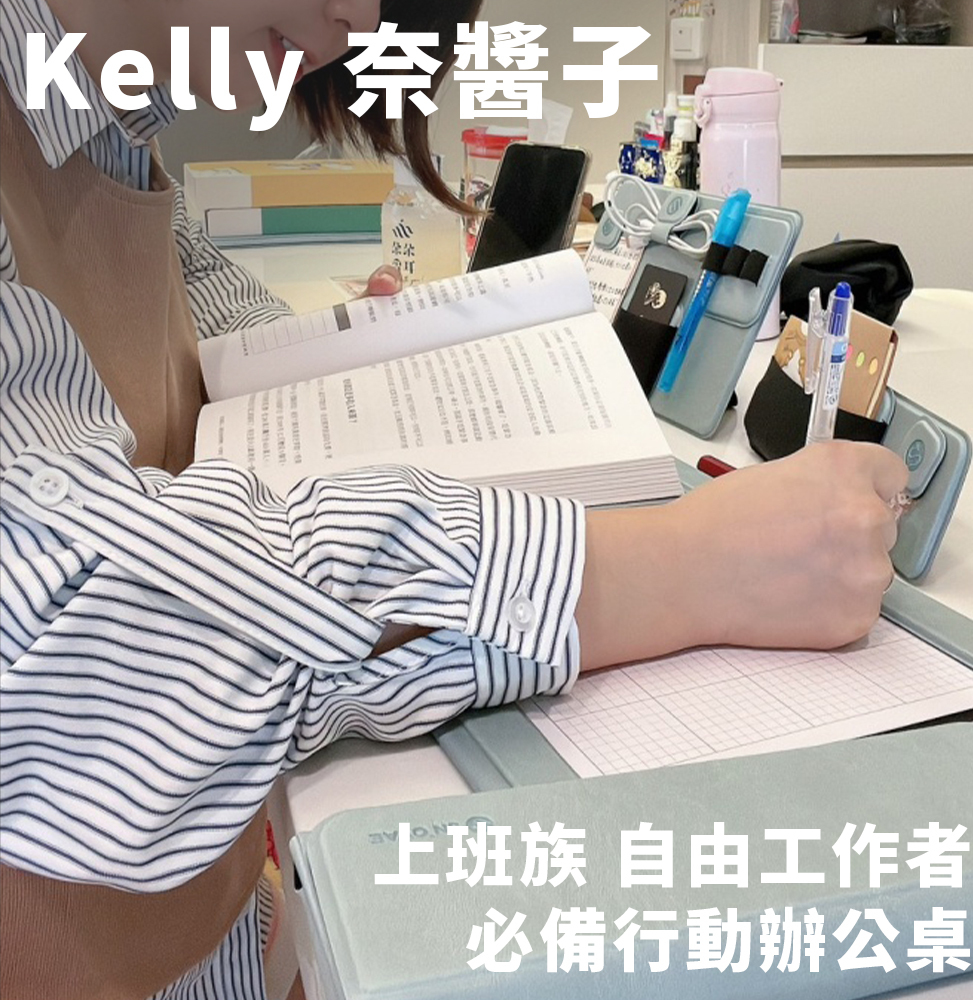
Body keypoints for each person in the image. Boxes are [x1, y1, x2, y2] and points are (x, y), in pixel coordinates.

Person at [0, 0, 908, 997]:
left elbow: (179, 320)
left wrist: (336, 355)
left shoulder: (107, 119)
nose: (358, 19)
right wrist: (684, 566)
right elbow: (77, 643)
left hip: (212, 930)